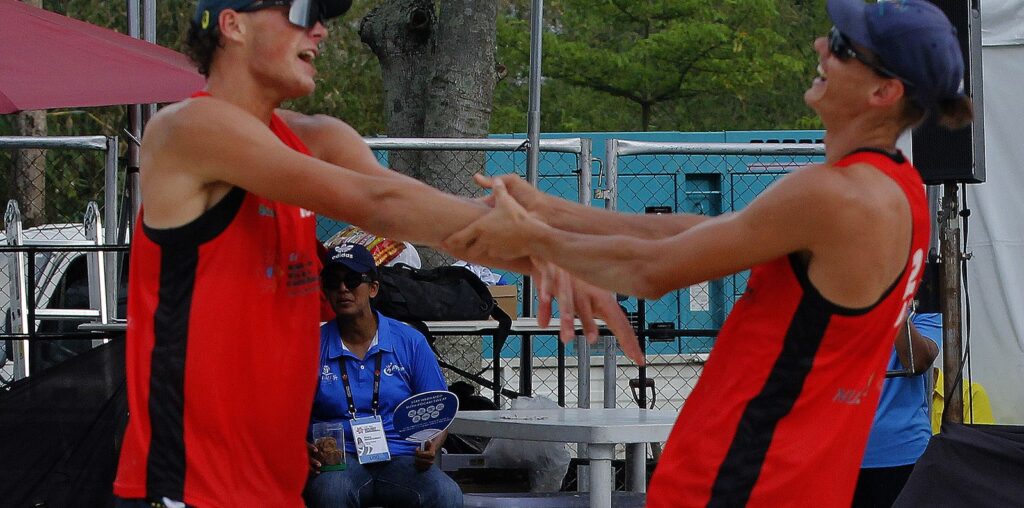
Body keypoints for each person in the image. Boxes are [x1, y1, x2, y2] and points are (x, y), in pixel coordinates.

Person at [443, 0, 973, 505]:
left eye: (839, 44)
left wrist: (531, 238)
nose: (818, 45)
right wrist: (551, 212)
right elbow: (697, 232)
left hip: (741, 483)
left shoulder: (835, 195)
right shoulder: (898, 192)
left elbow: (651, 272)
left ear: (884, 91)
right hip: (786, 481)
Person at [112, 0, 637, 506]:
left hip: (272, 487)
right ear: (232, 24)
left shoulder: (317, 138)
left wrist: (579, 247)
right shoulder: (186, 130)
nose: (318, 29)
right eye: (301, 13)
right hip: (188, 485)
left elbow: (415, 206)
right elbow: (381, 203)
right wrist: (554, 252)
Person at [305, 244, 461, 508]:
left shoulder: (410, 342)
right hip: (340, 460)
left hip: (402, 457)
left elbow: (438, 411)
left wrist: (432, 444)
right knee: (330, 493)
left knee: (446, 494)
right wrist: (301, 449)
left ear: (373, 288)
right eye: (333, 282)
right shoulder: (311, 346)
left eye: (353, 280)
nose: (343, 289)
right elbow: (287, 416)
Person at [853, 312, 941, 508]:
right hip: (839, 455)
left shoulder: (925, 309)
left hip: (903, 454)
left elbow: (916, 361)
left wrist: (894, 301)